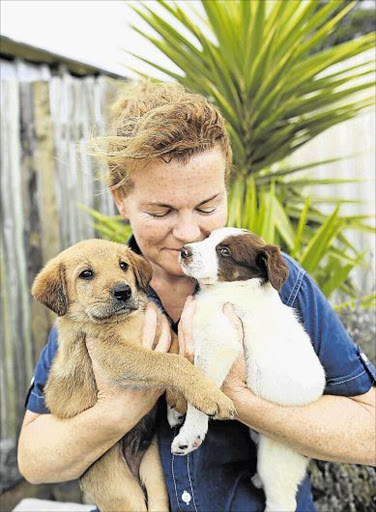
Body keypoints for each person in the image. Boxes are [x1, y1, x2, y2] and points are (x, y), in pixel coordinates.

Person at [18, 82, 376, 512]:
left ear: (225, 184)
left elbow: (370, 432)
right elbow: (34, 462)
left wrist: (237, 397)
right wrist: (119, 407)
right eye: (161, 211)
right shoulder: (96, 293)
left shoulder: (272, 283)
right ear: (120, 199)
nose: (188, 233)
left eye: (207, 206)